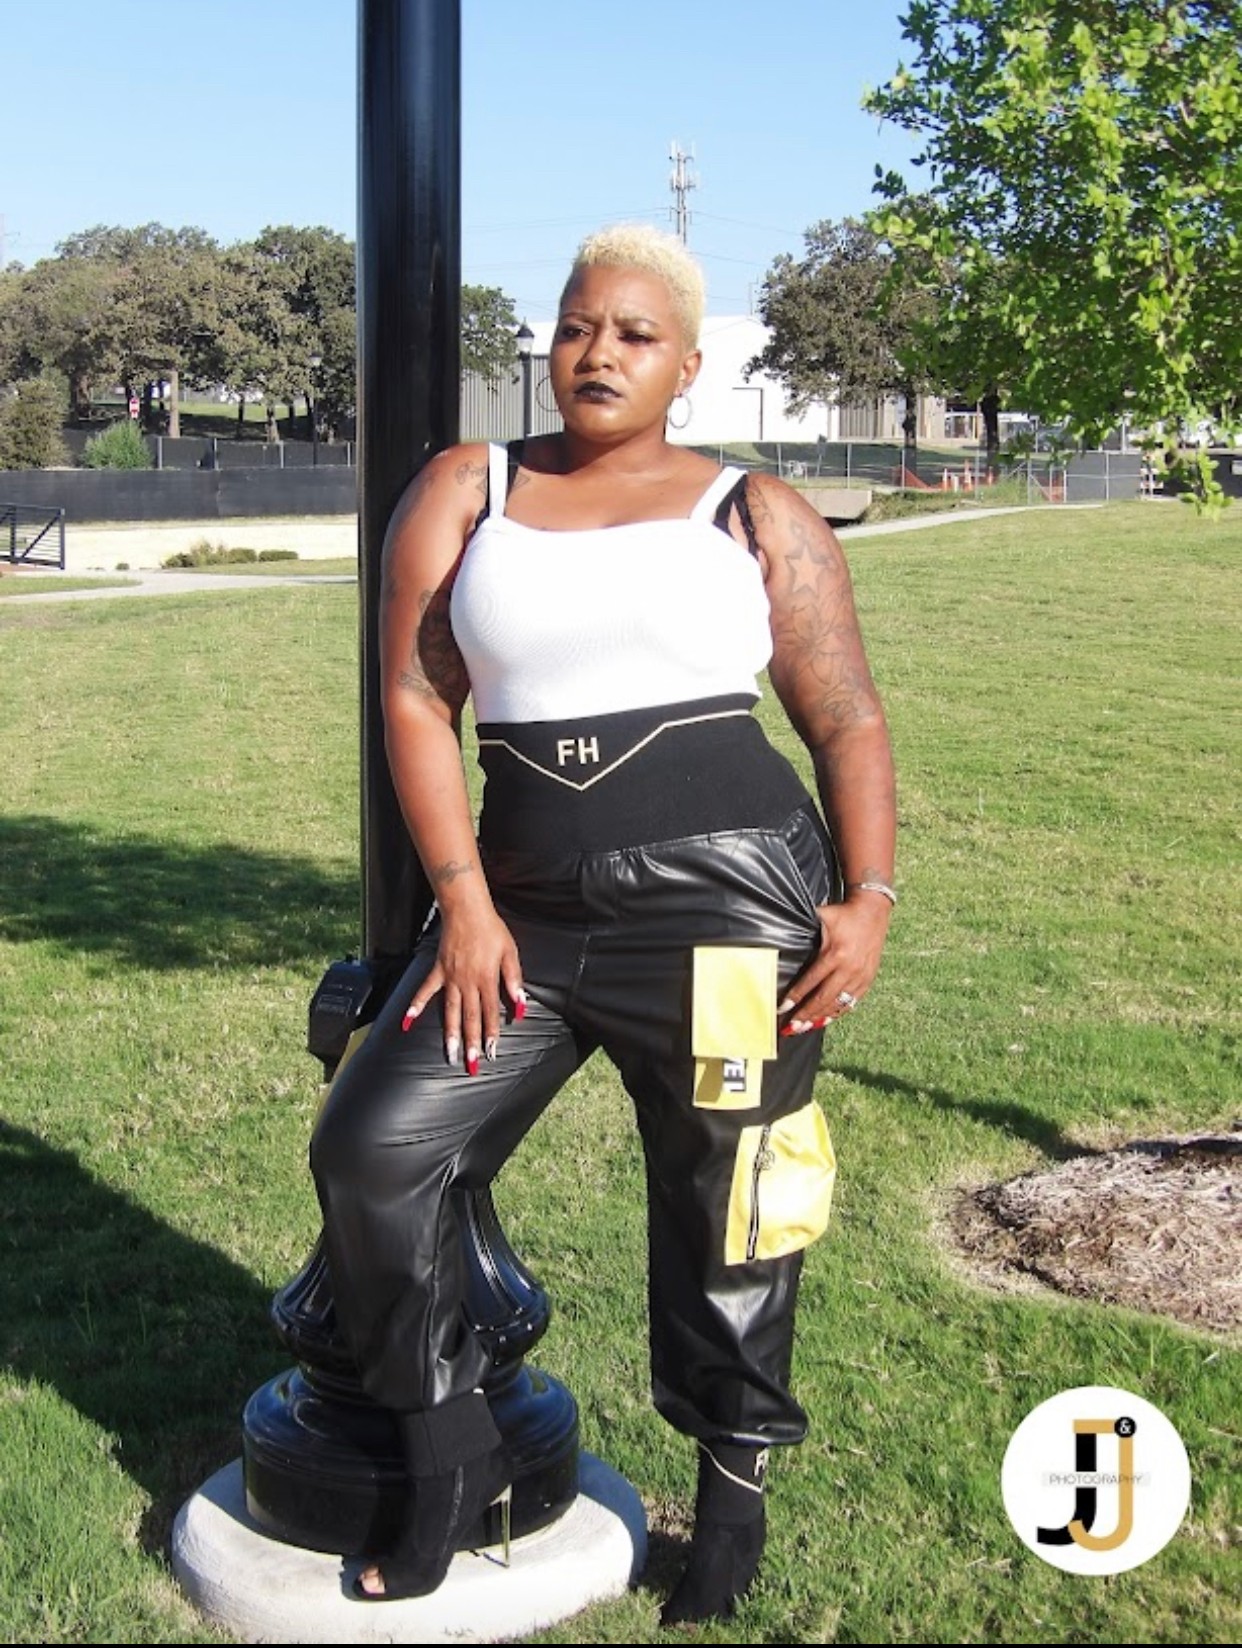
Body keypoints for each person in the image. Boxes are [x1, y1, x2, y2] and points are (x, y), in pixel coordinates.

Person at [310, 223, 897, 1623]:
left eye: (635, 335)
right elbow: (414, 697)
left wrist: (868, 897)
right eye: (578, 326)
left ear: (686, 367)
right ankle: (447, 1456)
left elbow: (845, 717)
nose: (598, 354)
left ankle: (733, 1498)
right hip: (518, 917)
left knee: (727, 1203)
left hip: (730, 915)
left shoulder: (754, 513)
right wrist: (461, 901)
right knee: (374, 1148)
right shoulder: (472, 488)